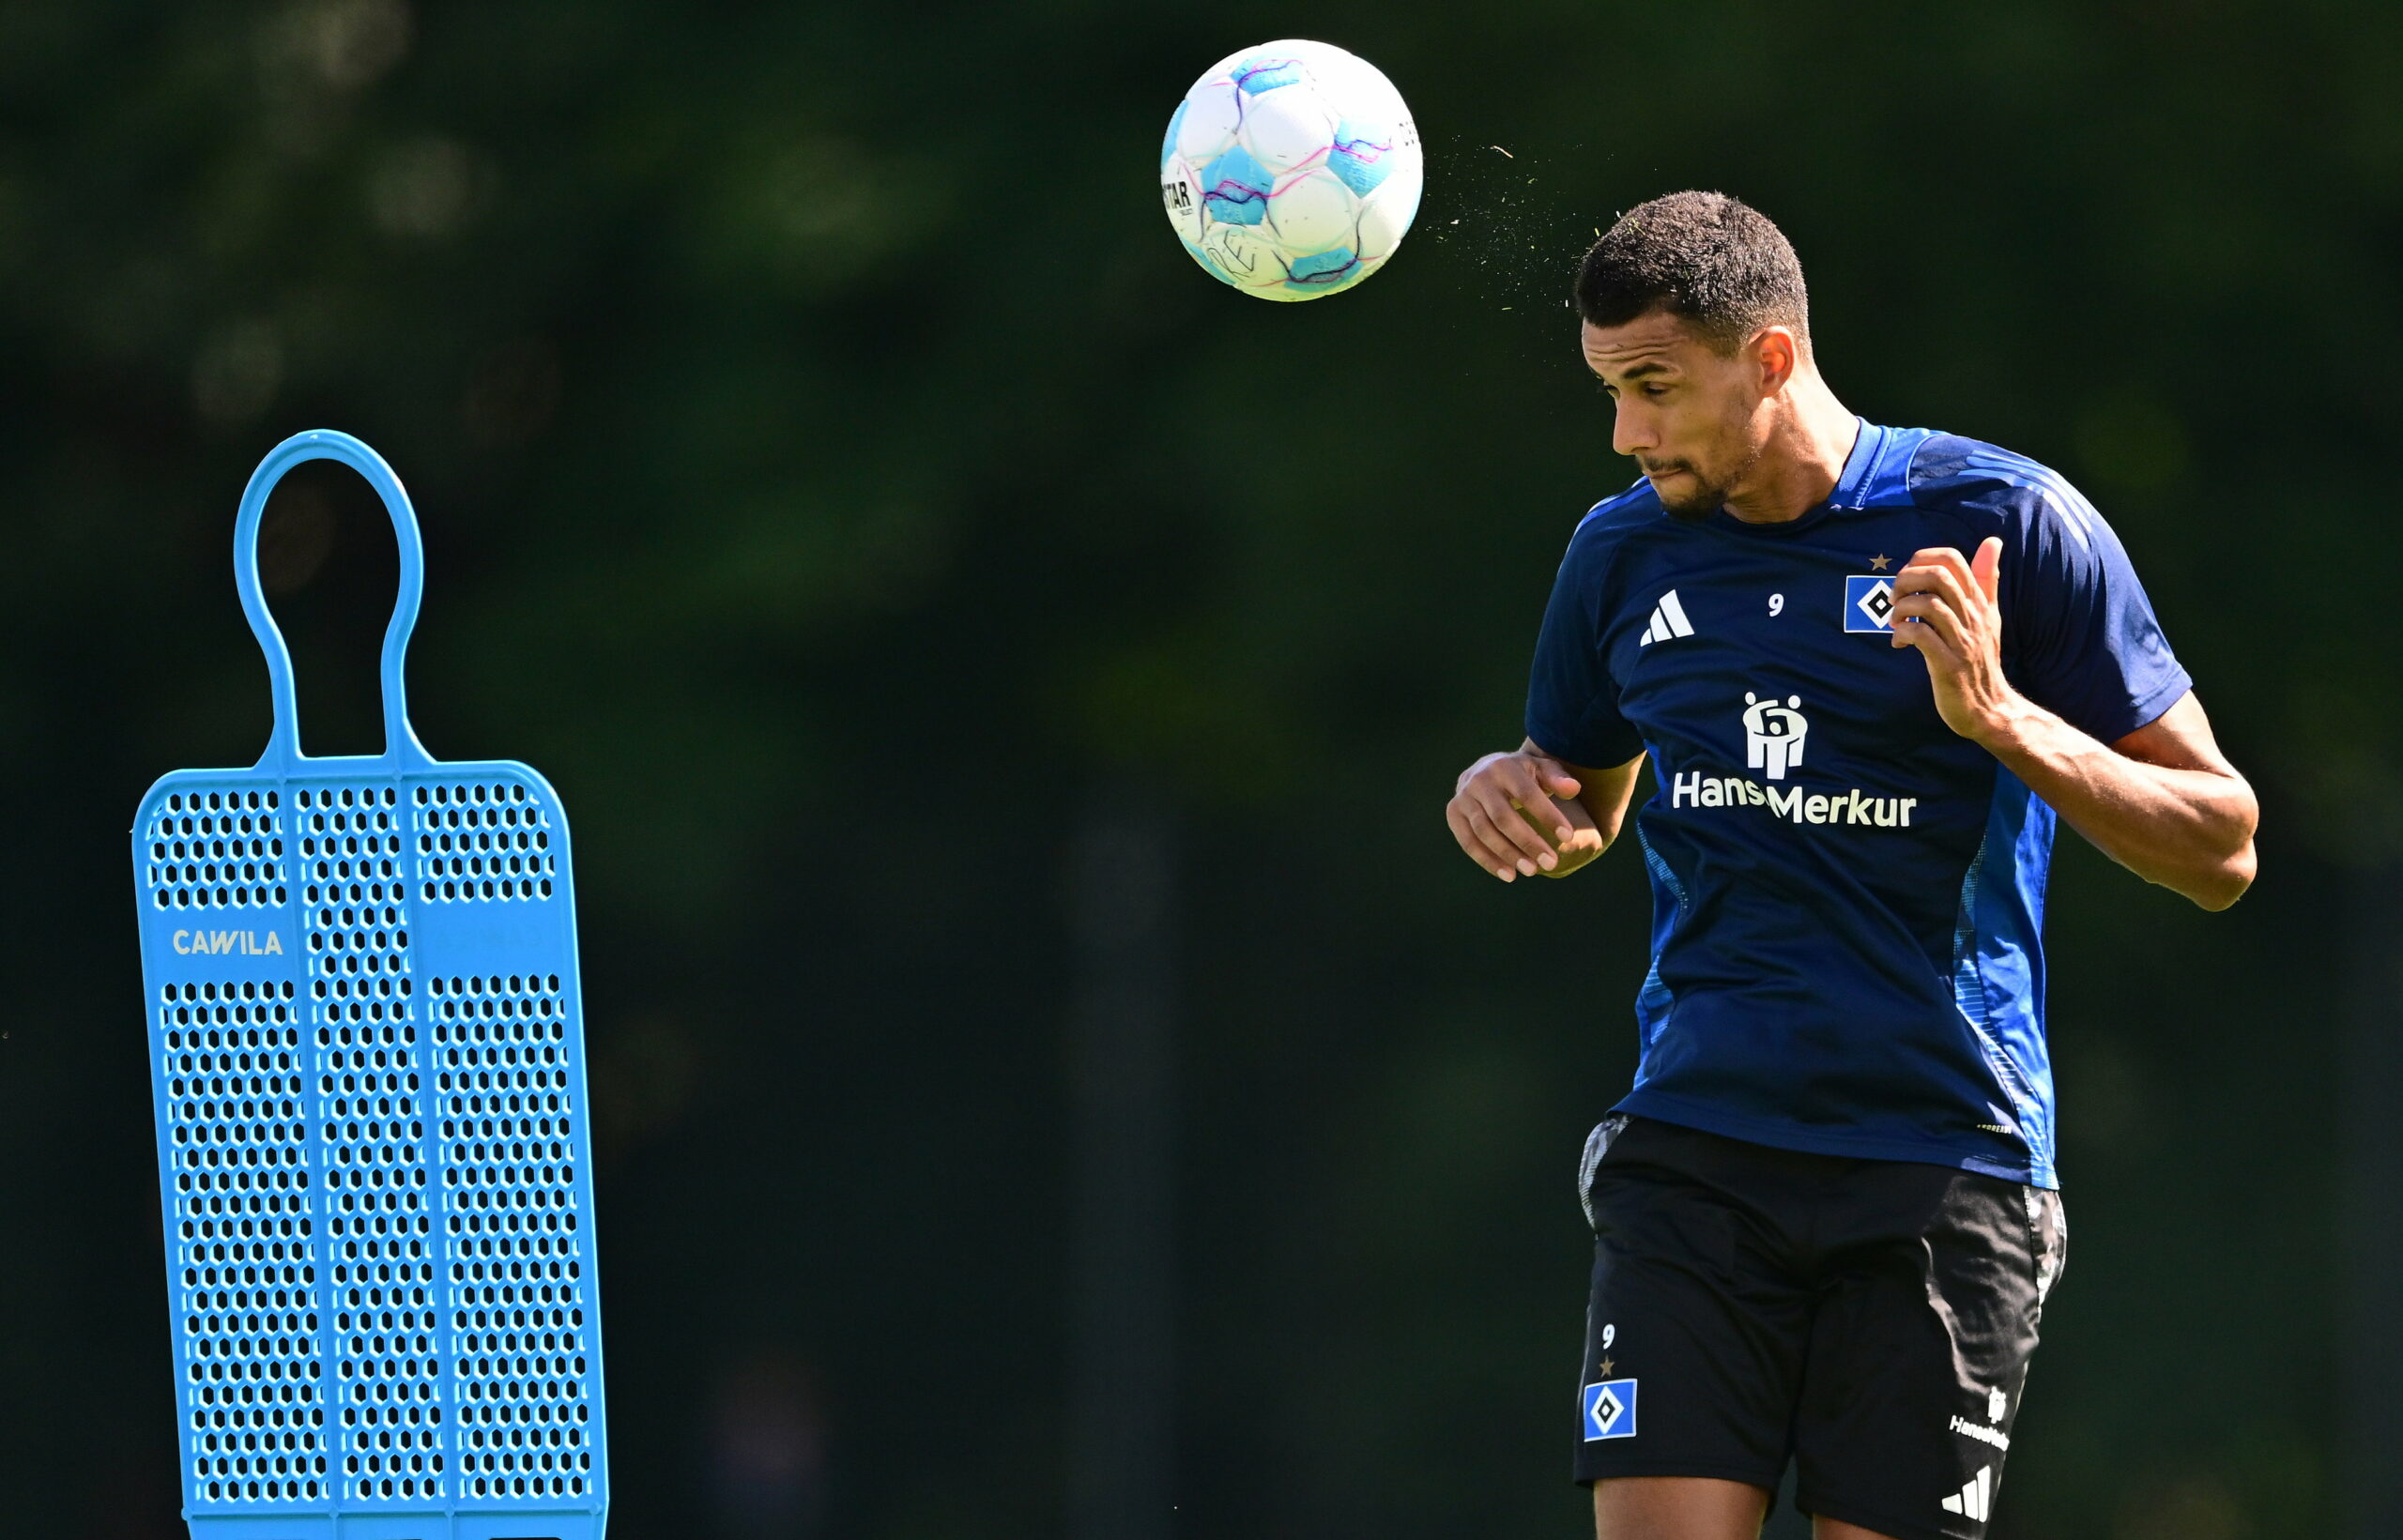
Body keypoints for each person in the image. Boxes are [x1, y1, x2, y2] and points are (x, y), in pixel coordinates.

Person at [1444, 191, 2257, 1540]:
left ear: (1769, 358)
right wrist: (1504, 795)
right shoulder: (1621, 551)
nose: (1626, 433)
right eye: (1609, 392)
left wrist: (2001, 719)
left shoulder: (2006, 521)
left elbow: (2221, 843)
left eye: (1653, 387)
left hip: (1940, 1163)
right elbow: (1579, 802)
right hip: (1698, 1148)